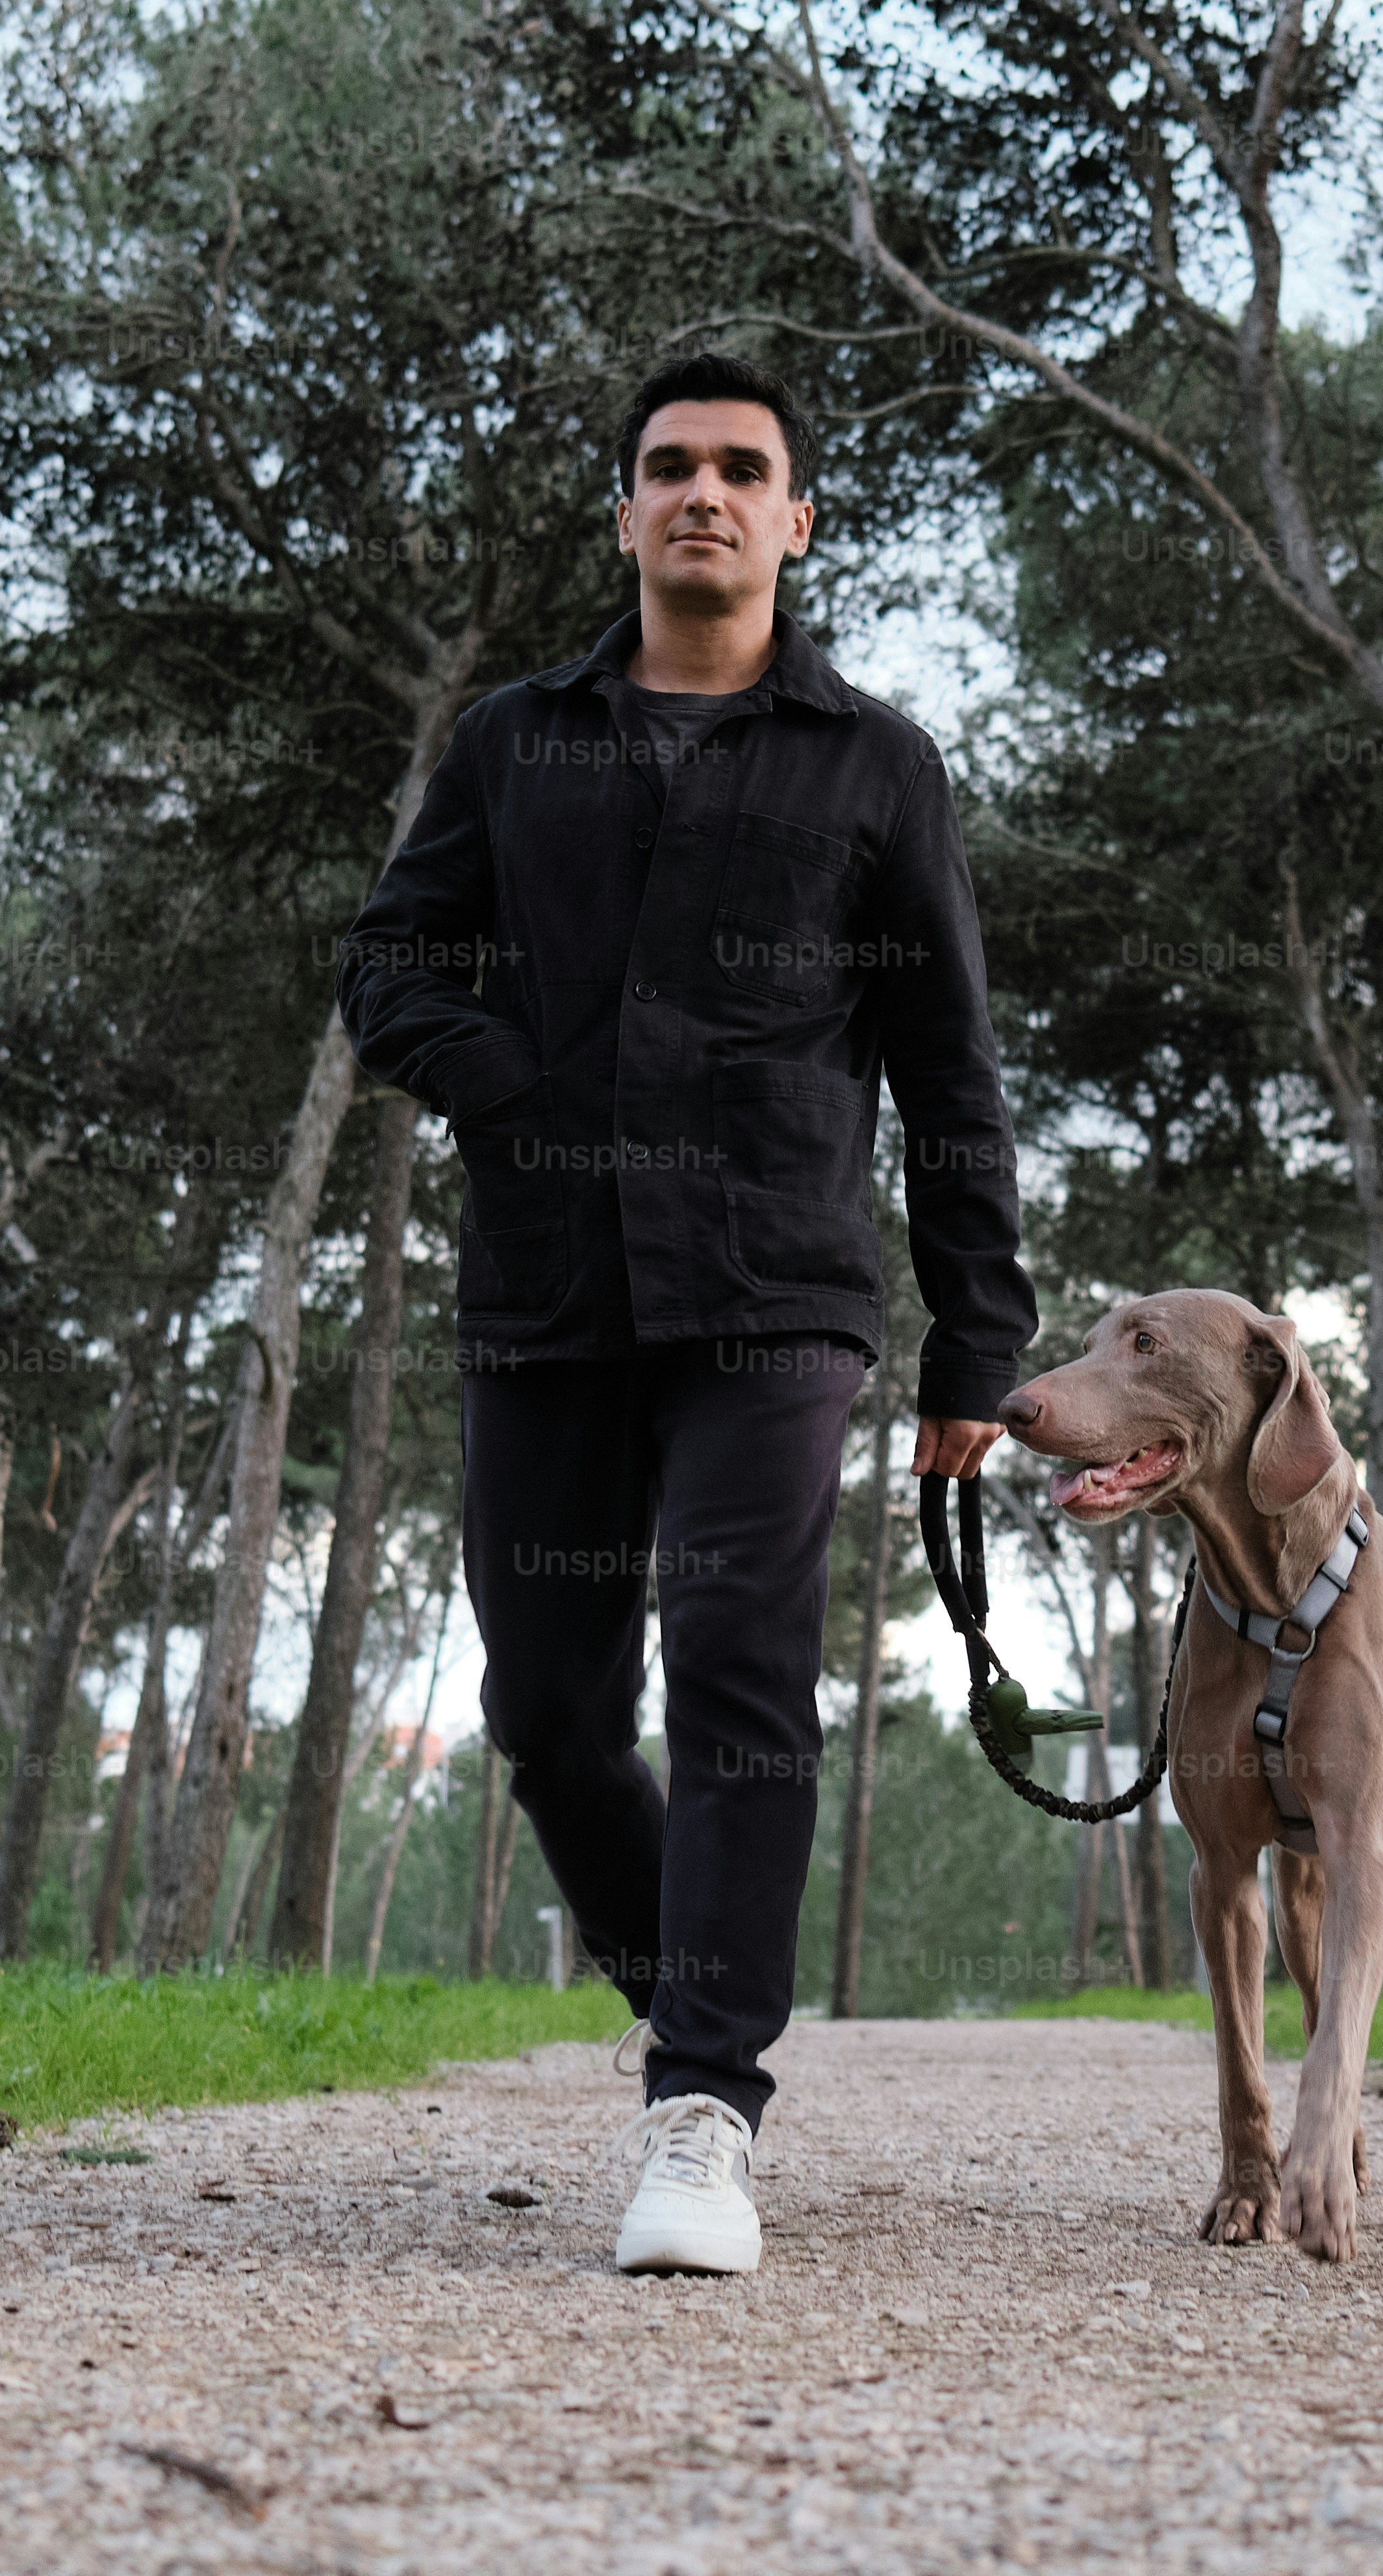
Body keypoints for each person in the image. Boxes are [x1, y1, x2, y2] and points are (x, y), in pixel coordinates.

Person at [336, 352, 1032, 2273]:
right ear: (626, 513)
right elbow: (388, 965)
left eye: (744, 470)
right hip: (550, 1290)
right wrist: (512, 1082)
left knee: (739, 1660)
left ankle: (703, 2107)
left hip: (776, 1297)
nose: (704, 494)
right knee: (553, 1712)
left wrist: (977, 1345)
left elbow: (951, 1067)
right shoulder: (510, 744)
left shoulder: (877, 764)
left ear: (797, 521)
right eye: (669, 469)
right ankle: (694, 1999)